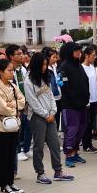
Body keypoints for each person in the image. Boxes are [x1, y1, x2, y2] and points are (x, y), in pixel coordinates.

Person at [23, 50, 74, 184]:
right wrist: (46, 114)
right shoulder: (28, 80)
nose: (44, 67)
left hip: (50, 116)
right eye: (42, 65)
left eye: (46, 65)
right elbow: (33, 101)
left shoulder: (44, 78)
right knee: (39, 146)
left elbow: (51, 96)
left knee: (55, 144)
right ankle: (40, 173)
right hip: (37, 117)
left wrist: (53, 112)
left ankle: (58, 171)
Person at [0, 58, 25, 193]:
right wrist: (13, 107)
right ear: (0, 72)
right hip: (1, 127)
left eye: (12, 70)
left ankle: (11, 182)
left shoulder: (13, 86)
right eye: (9, 70)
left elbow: (22, 101)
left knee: (11, 155)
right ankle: (3, 184)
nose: (12, 73)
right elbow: (1, 107)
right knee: (3, 156)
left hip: (14, 124)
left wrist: (11, 104)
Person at [57, 42, 89, 167]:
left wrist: (86, 97)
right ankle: (68, 155)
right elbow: (63, 86)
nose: (79, 53)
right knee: (72, 130)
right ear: (69, 52)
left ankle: (75, 153)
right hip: (70, 105)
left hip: (82, 105)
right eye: (76, 51)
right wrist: (74, 99)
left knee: (81, 129)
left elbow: (84, 81)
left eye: (79, 51)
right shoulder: (64, 67)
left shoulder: (79, 65)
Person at [80, 45, 97, 154]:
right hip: (86, 101)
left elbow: (95, 84)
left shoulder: (92, 67)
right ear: (86, 55)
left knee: (91, 122)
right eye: (93, 55)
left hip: (94, 100)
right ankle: (86, 145)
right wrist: (85, 101)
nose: (95, 57)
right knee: (86, 124)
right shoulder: (81, 68)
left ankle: (89, 144)